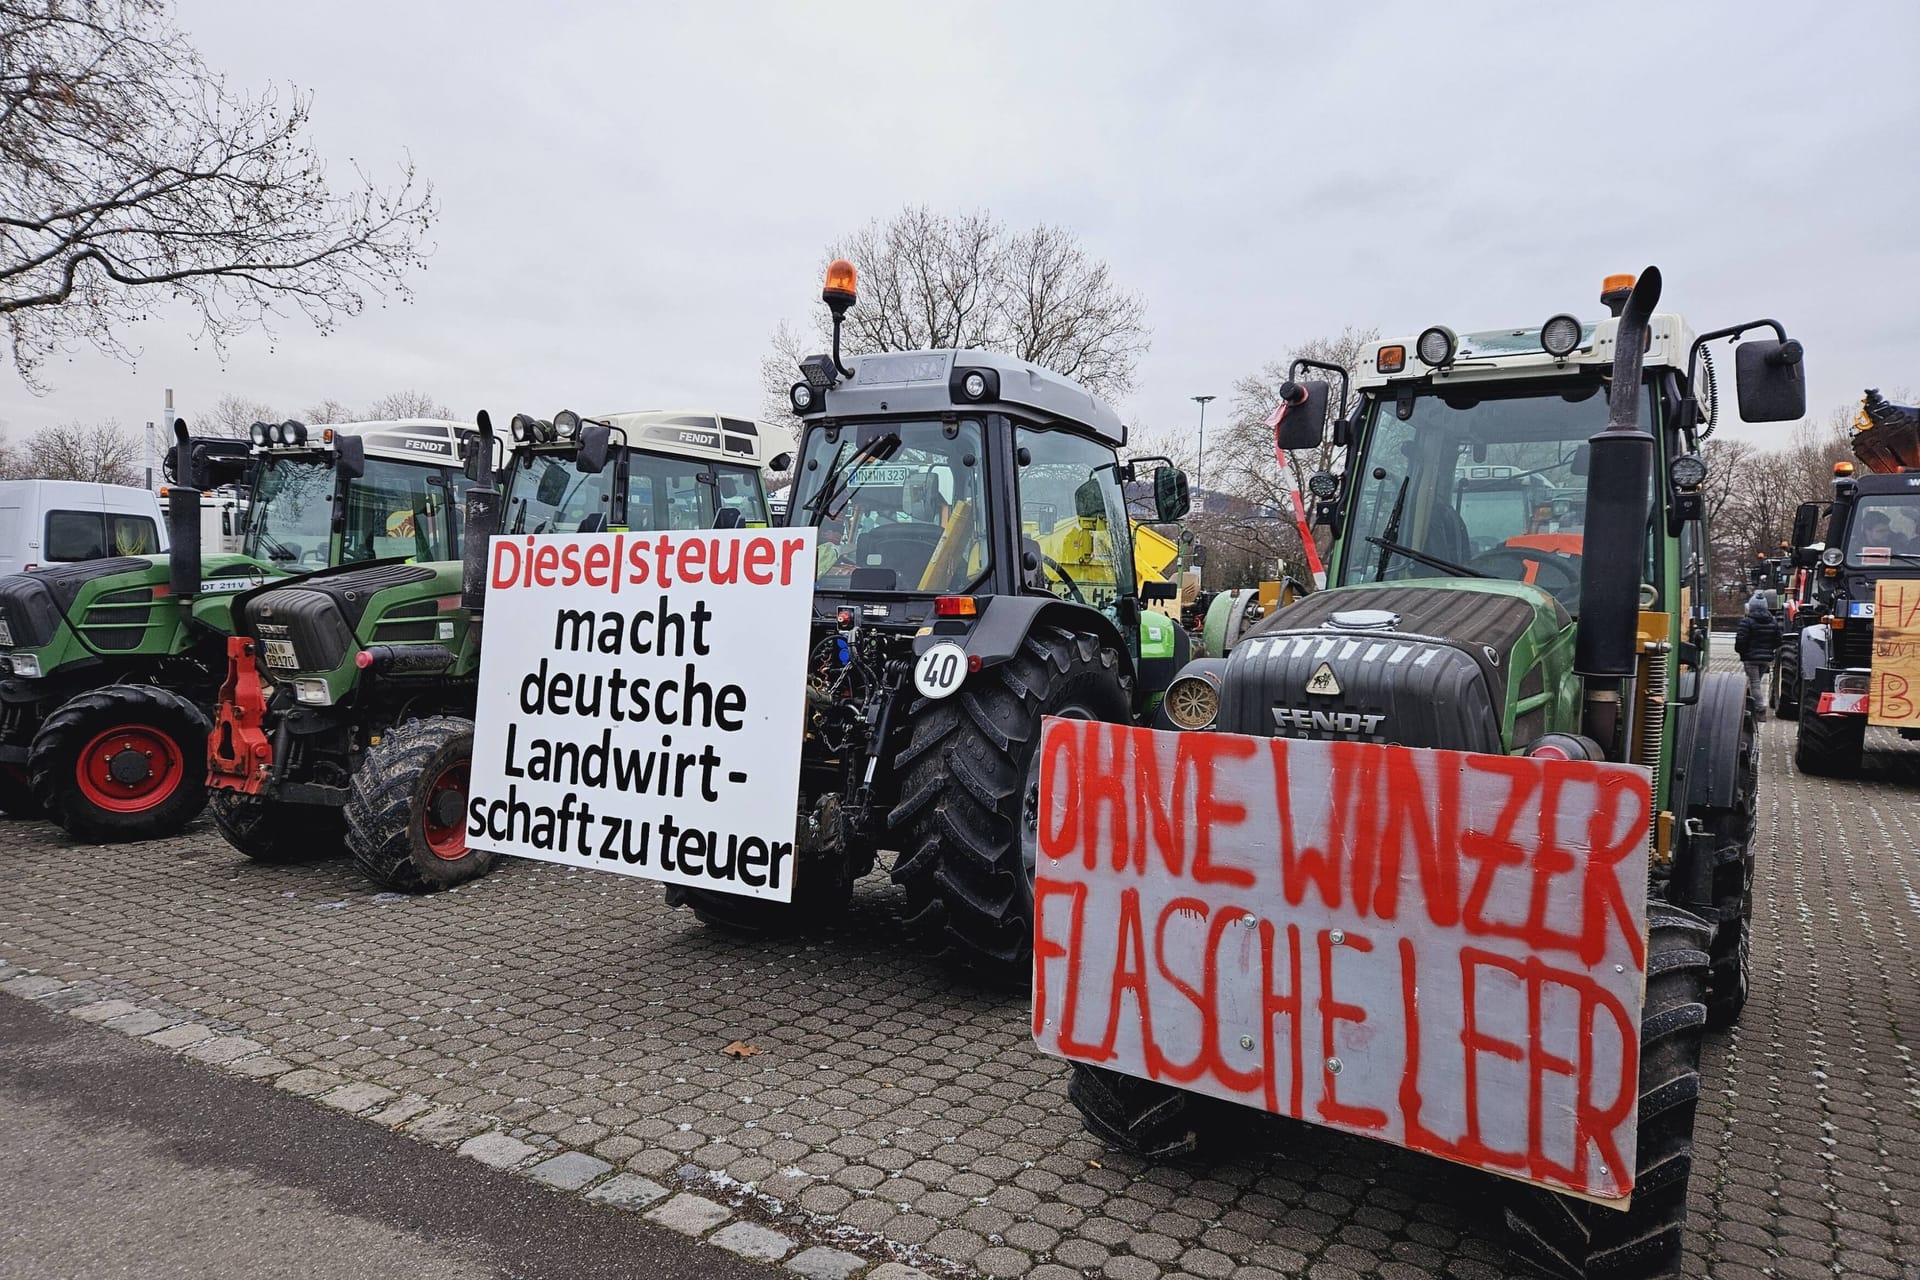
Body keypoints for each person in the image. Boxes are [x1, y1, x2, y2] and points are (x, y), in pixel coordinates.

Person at [1733, 591, 1782, 719]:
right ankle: (1748, 705)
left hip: (1750, 658)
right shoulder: (1773, 621)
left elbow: (1741, 640)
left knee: (1754, 683)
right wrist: (1769, 650)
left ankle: (1760, 710)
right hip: (1766, 659)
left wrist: (1742, 652)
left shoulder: (1747, 621)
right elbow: (1778, 640)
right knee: (1756, 682)